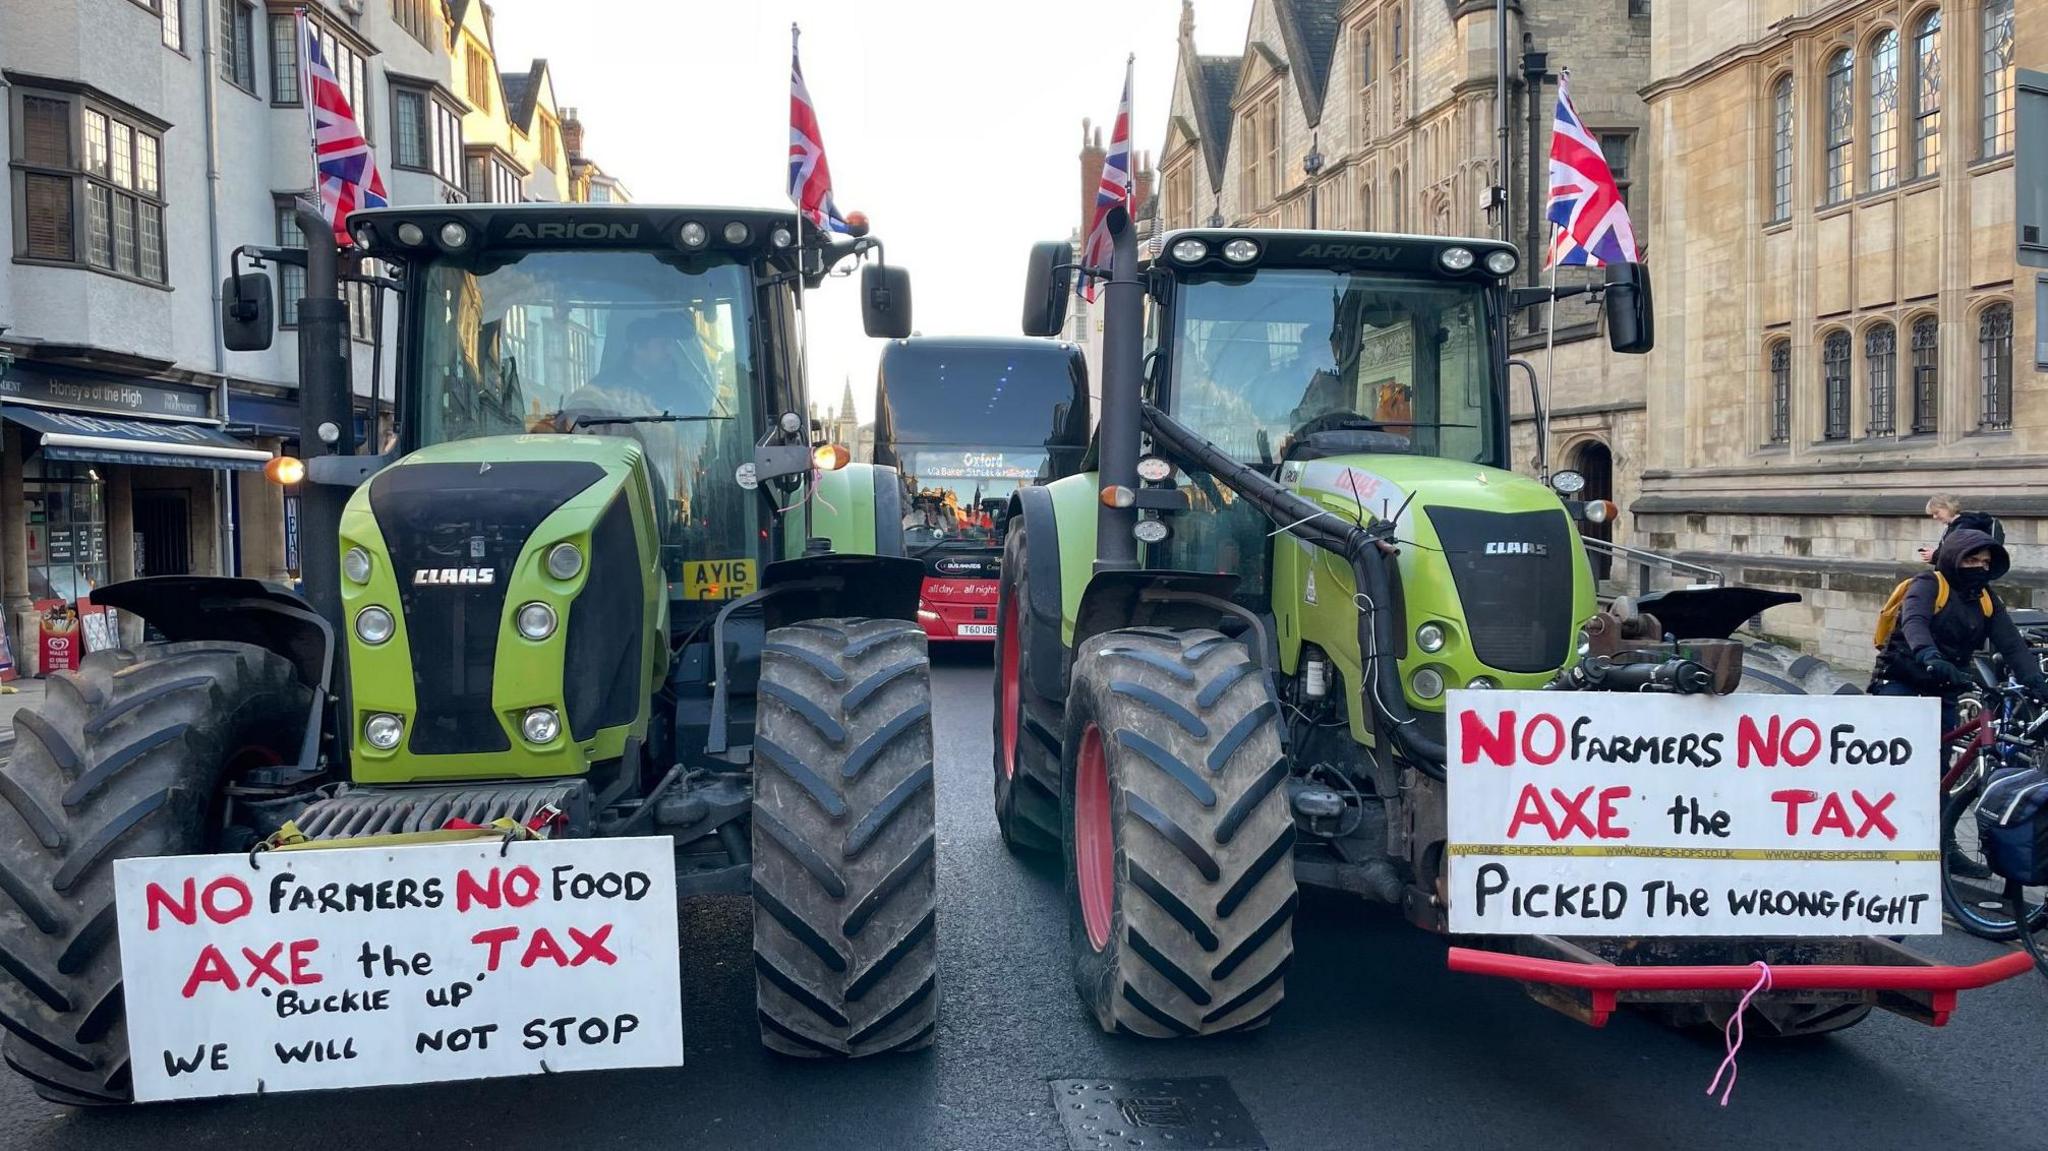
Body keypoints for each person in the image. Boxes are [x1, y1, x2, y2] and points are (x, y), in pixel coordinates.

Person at [1873, 528, 2048, 724]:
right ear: (1953, 559)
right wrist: (1928, 654)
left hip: (1947, 681)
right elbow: (1914, 621)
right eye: (1971, 560)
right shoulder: (1929, 583)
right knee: (1895, 733)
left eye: (1985, 562)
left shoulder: (1985, 597)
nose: (1980, 567)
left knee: (1941, 747)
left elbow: (2011, 643)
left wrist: (2035, 680)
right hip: (1904, 674)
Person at [1916, 494, 2004, 563]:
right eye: (1932, 514)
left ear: (1947, 507)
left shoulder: (1965, 526)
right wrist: (1934, 555)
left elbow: (1960, 555)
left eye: (1936, 512)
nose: (1934, 517)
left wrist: (1934, 555)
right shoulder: (1955, 526)